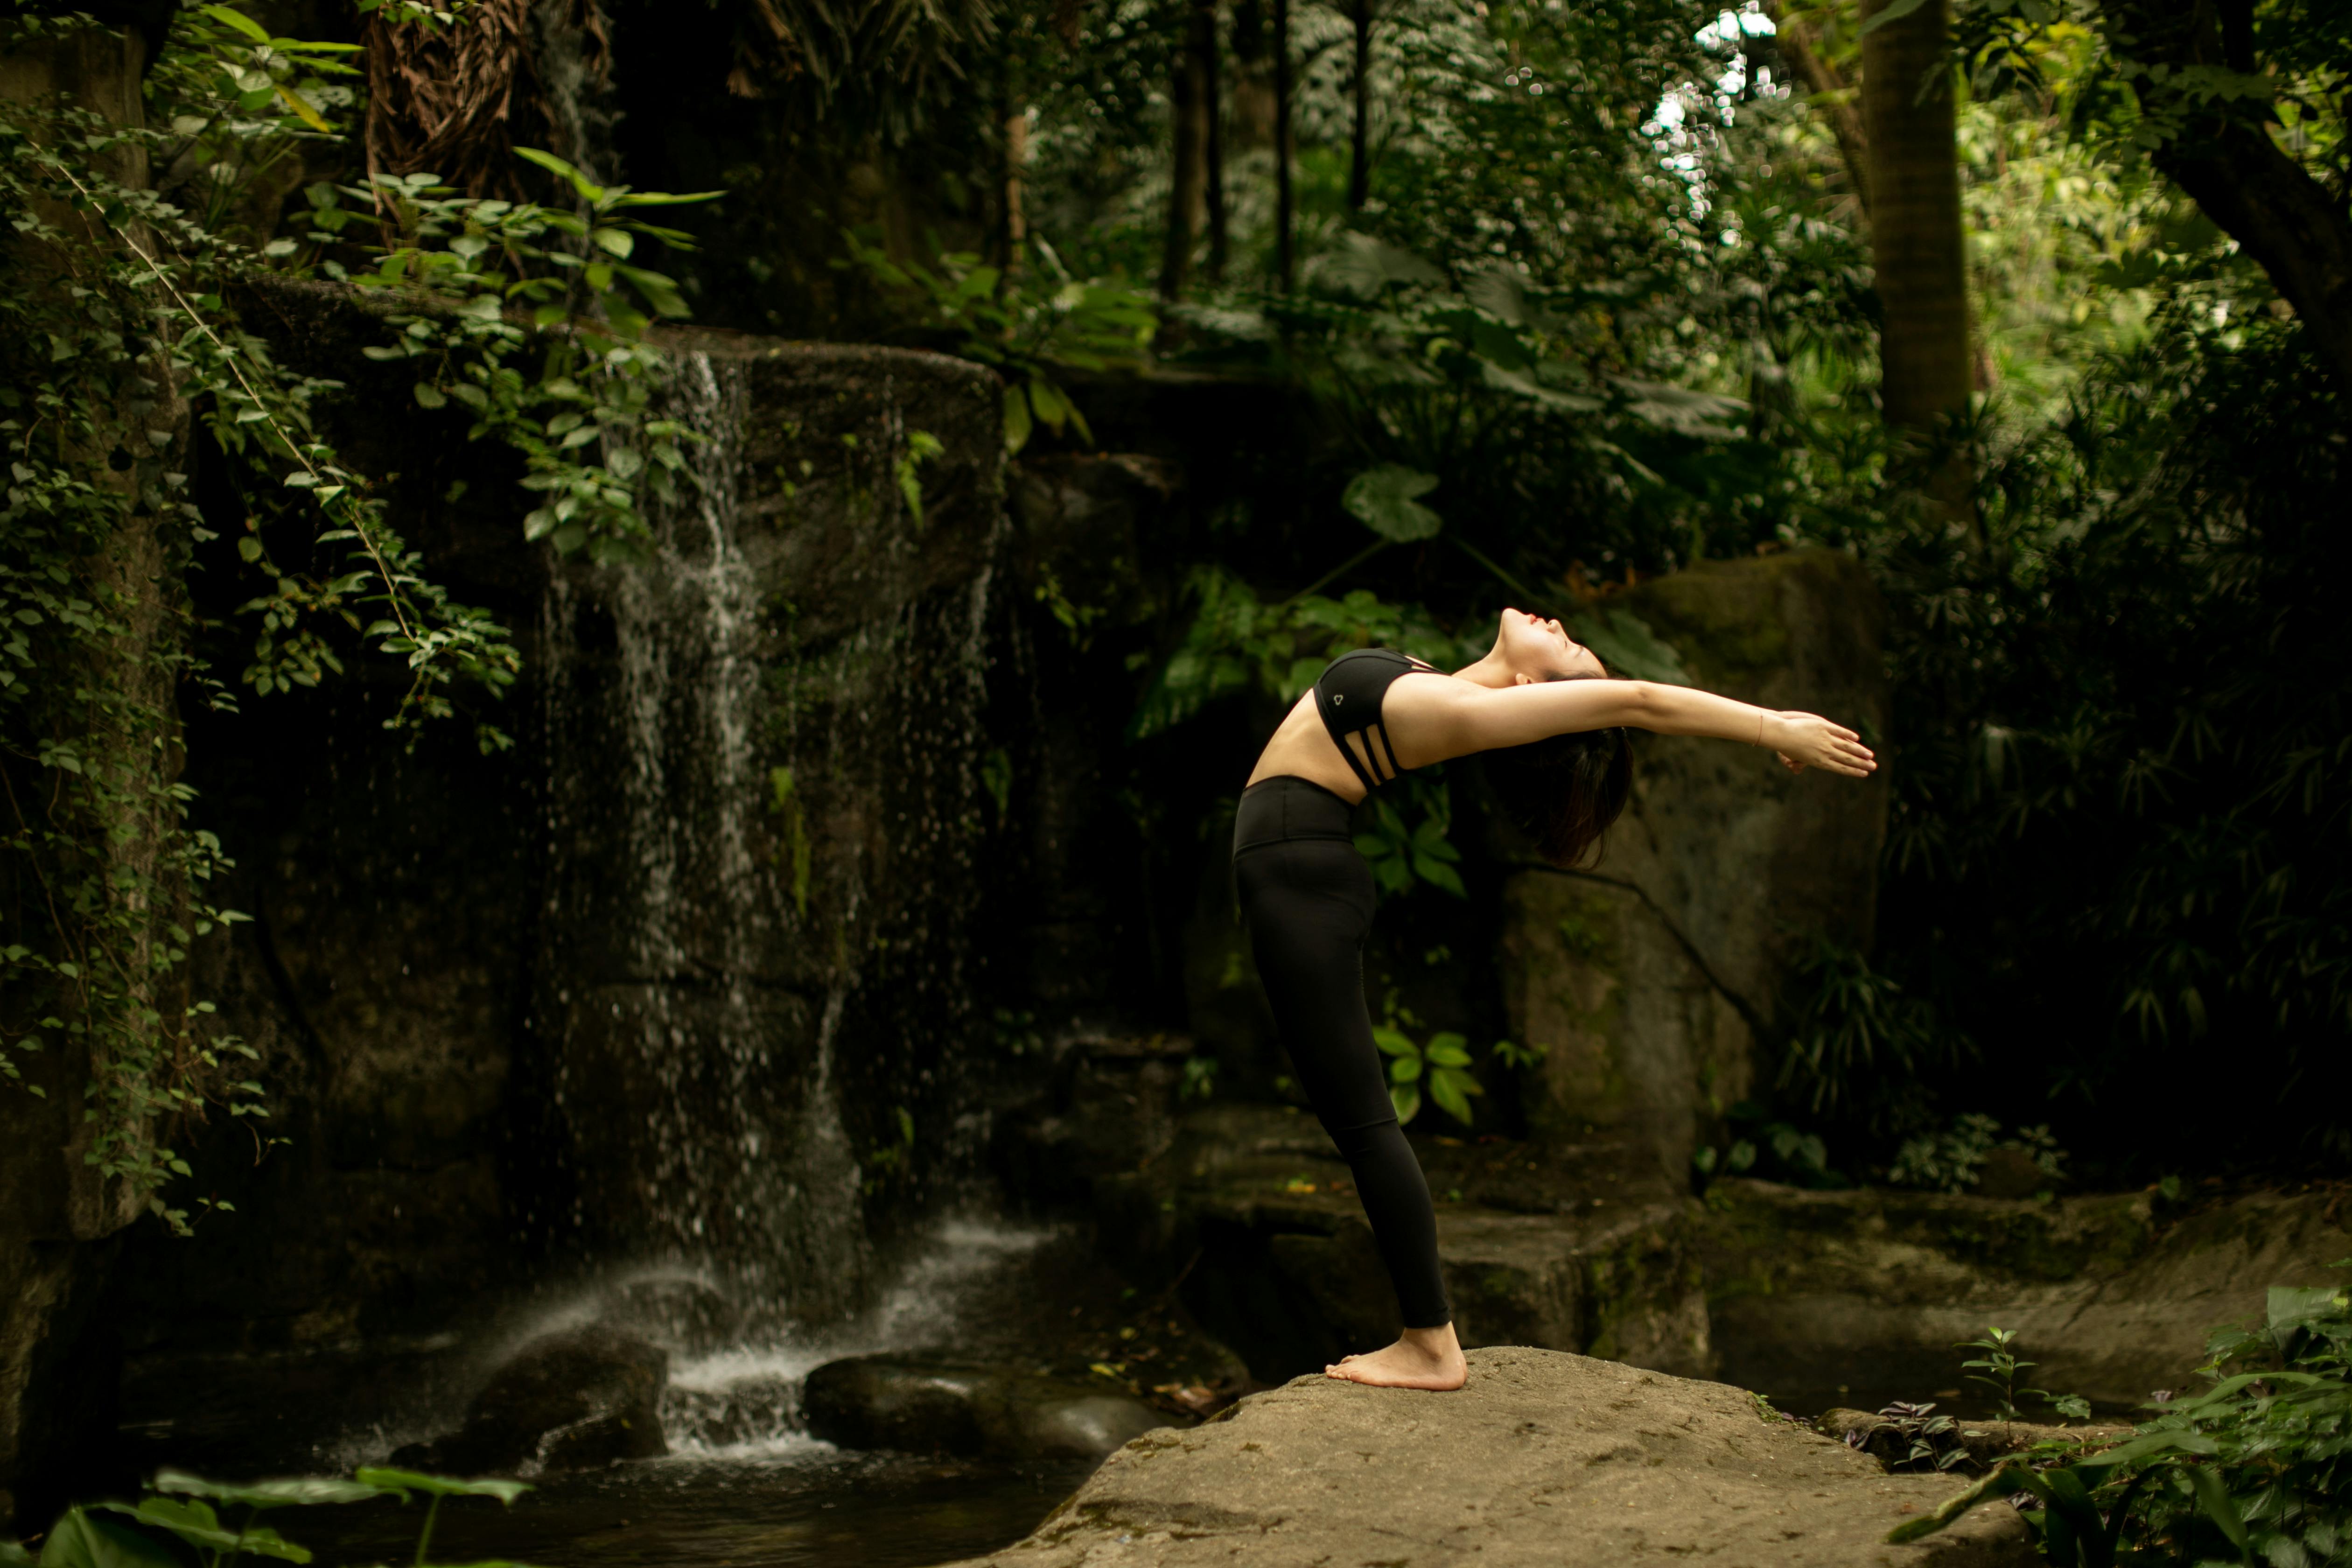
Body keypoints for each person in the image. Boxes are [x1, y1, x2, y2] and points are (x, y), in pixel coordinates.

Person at [1233, 607, 1877, 1390]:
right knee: (1360, 1121)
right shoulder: (1448, 691)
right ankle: (1429, 1338)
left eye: (1570, 648)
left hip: (1299, 882)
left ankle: (1432, 1345)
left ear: (1533, 689)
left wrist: (1774, 725)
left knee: (1363, 1124)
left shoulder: (1456, 708)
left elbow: (1637, 703)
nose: (1561, 623)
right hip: (1299, 875)